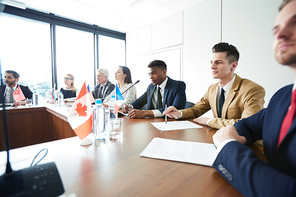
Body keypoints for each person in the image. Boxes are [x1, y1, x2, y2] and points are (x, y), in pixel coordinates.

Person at [212, 1, 296, 196]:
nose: (280, 34)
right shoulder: (283, 96)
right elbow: (248, 126)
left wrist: (228, 147)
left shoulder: (253, 89)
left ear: (234, 65)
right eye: (276, 29)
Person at [163, 43, 265, 130]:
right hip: (219, 138)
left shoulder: (252, 90)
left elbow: (247, 125)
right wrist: (178, 113)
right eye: (211, 62)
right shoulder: (212, 89)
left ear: (233, 65)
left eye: (218, 62)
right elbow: (196, 110)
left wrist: (209, 121)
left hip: (246, 144)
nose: (212, 67)